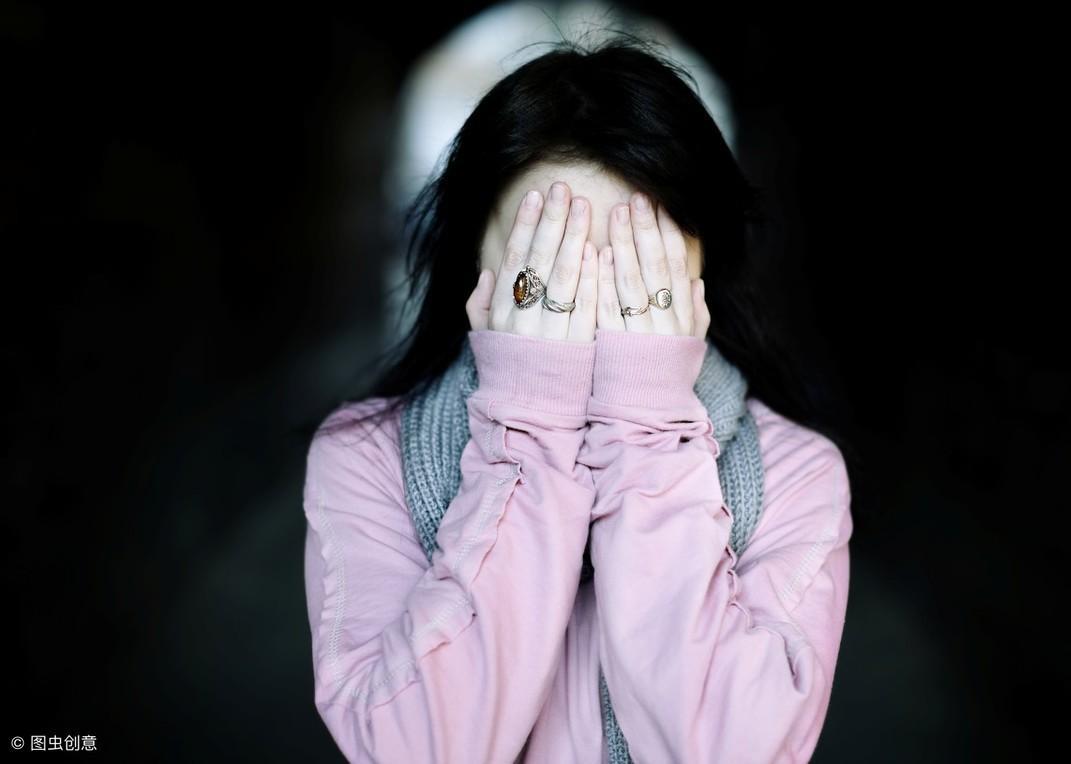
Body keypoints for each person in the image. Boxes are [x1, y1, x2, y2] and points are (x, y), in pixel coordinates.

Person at [302, 33, 854, 763]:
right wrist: (529, 420)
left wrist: (648, 429)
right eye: (546, 255)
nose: (581, 298)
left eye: (634, 262)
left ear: (702, 270)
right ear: (476, 264)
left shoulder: (798, 474)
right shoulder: (365, 459)